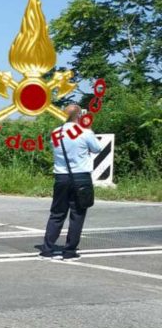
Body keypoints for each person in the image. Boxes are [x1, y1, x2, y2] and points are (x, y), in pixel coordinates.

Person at [39, 104, 102, 260]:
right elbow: (97, 149)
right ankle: (69, 251)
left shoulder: (55, 133)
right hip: (81, 177)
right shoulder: (85, 132)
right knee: (77, 214)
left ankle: (47, 249)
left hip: (61, 177)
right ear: (79, 116)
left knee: (57, 213)